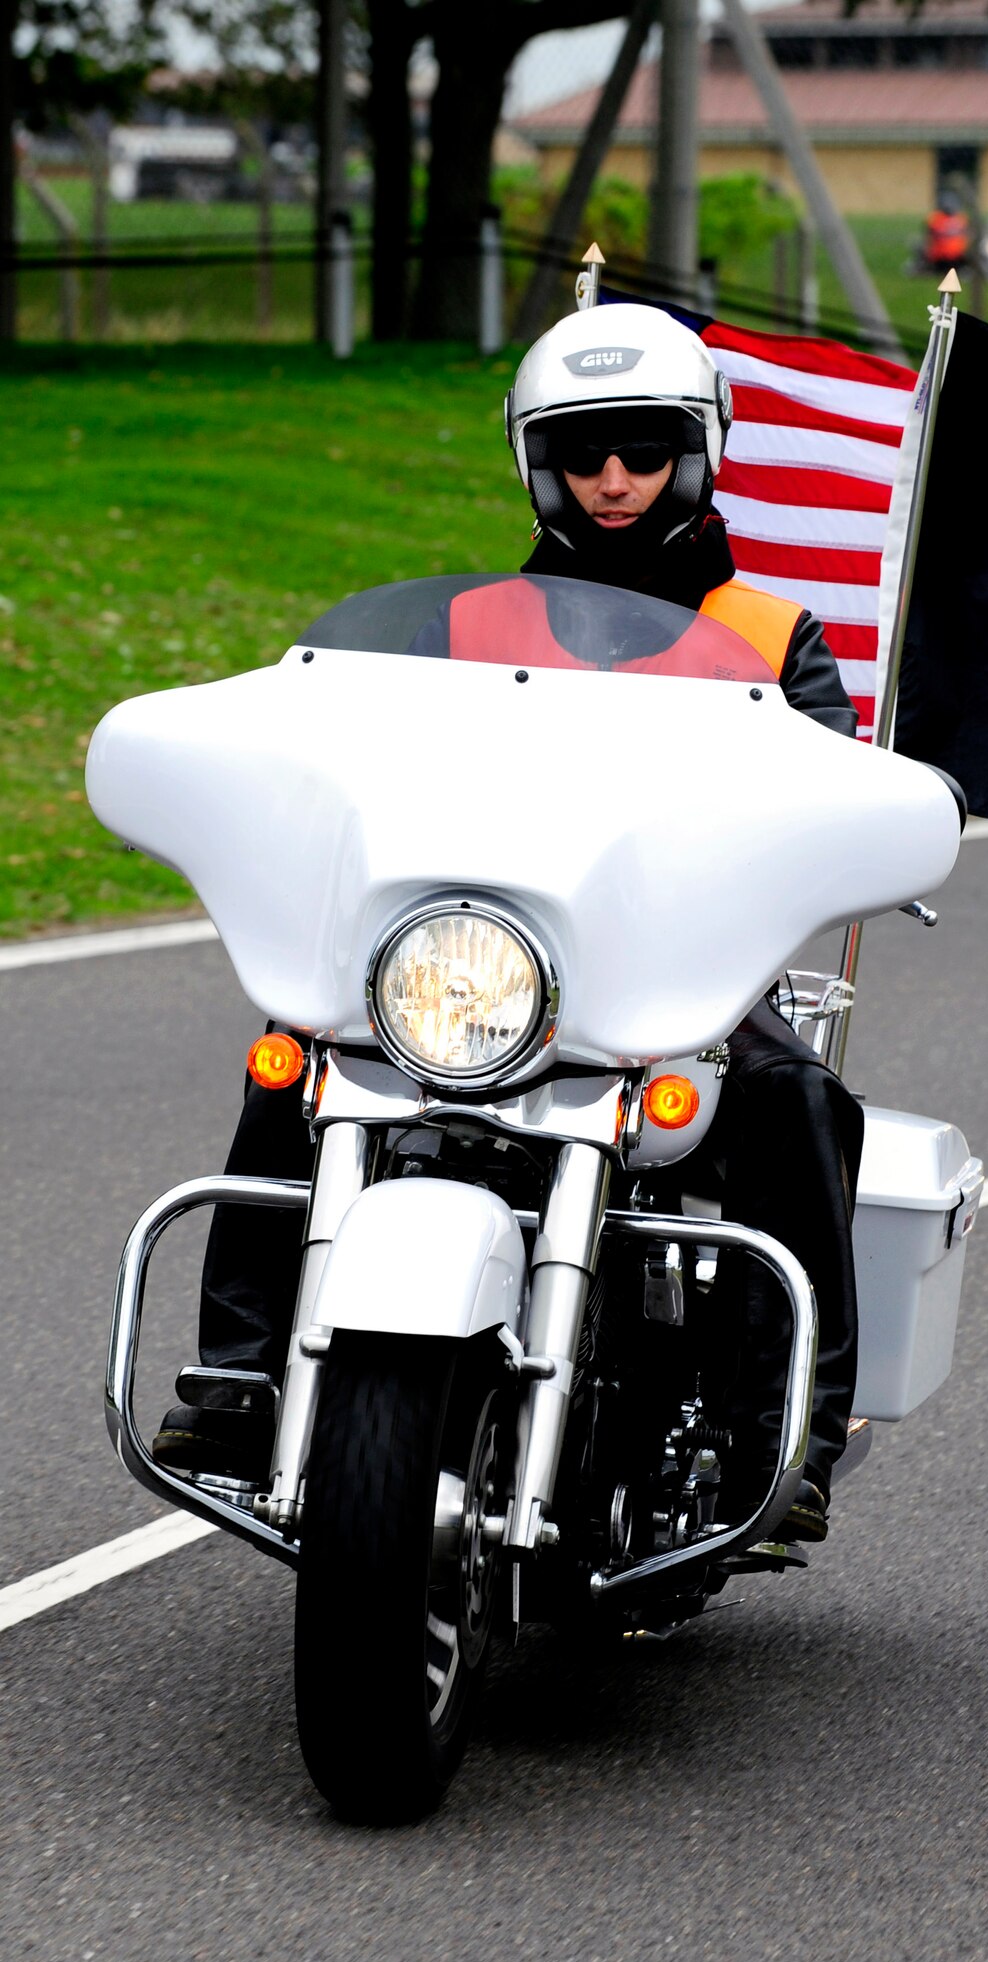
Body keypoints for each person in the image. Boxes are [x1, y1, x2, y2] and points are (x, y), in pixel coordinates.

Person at [155, 300, 865, 1543]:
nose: (611, 478)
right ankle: (236, 1376)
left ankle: (782, 1427)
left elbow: (824, 804)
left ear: (694, 452)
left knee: (796, 1099)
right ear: (537, 461)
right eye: (582, 451)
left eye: (641, 448)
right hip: (480, 969)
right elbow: (355, 763)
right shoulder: (455, 627)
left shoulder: (769, 640)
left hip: (673, 981)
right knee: (295, 1050)